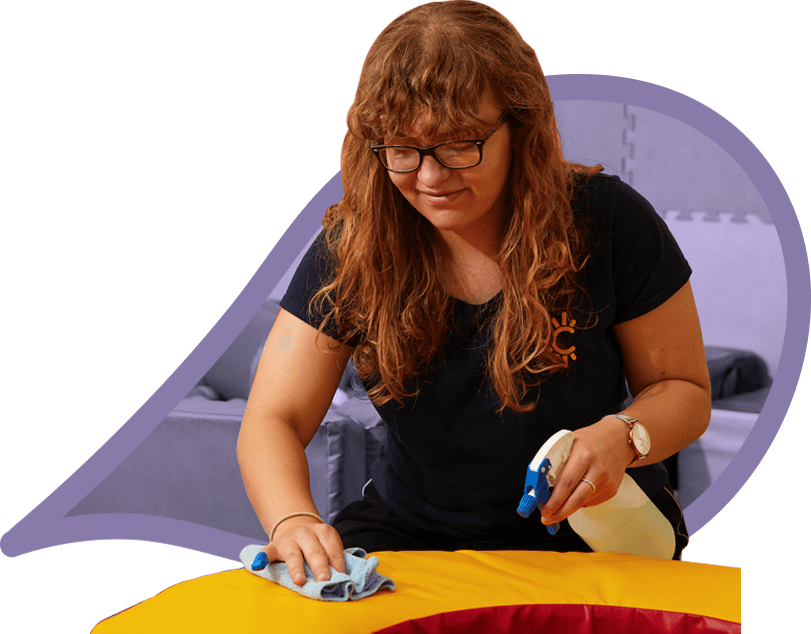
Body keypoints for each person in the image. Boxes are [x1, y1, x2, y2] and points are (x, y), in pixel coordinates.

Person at [236, 0, 711, 587]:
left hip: (595, 533)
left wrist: (624, 435)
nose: (431, 178)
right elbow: (273, 417)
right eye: (402, 149)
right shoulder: (353, 245)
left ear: (521, 127)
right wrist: (293, 520)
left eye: (461, 144)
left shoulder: (611, 222)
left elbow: (684, 391)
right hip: (410, 535)